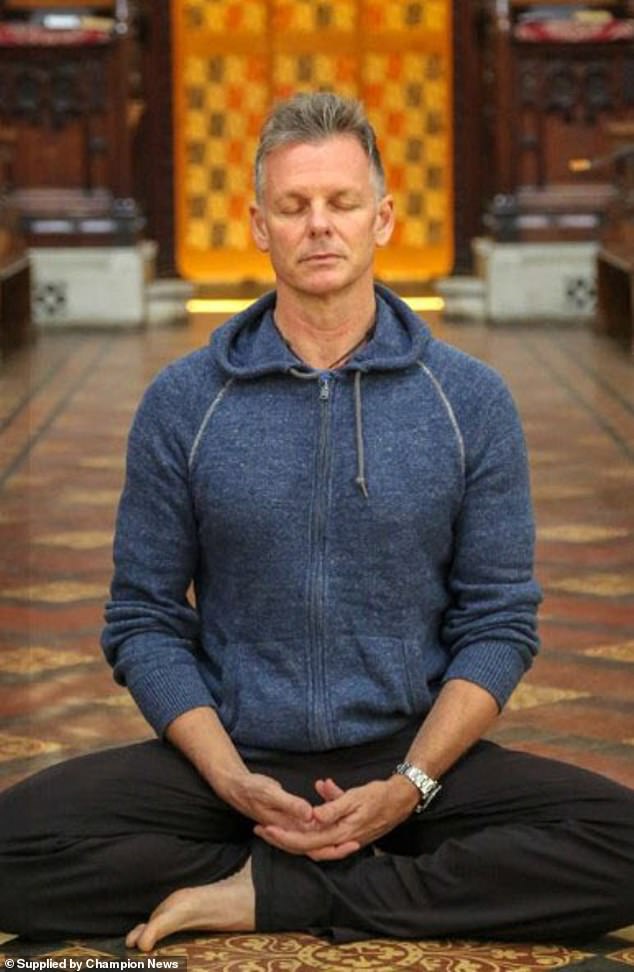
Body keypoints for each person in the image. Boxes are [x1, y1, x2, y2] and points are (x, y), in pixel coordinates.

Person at [1, 91, 633, 950]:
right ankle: (340, 881)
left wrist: (409, 784)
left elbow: (499, 622)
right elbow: (143, 618)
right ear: (259, 226)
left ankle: (268, 890)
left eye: (341, 202)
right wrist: (229, 776)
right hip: (235, 764)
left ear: (383, 217)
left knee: (623, 844)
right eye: (294, 206)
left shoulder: (471, 401)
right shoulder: (184, 402)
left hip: (410, 760)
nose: (319, 226)